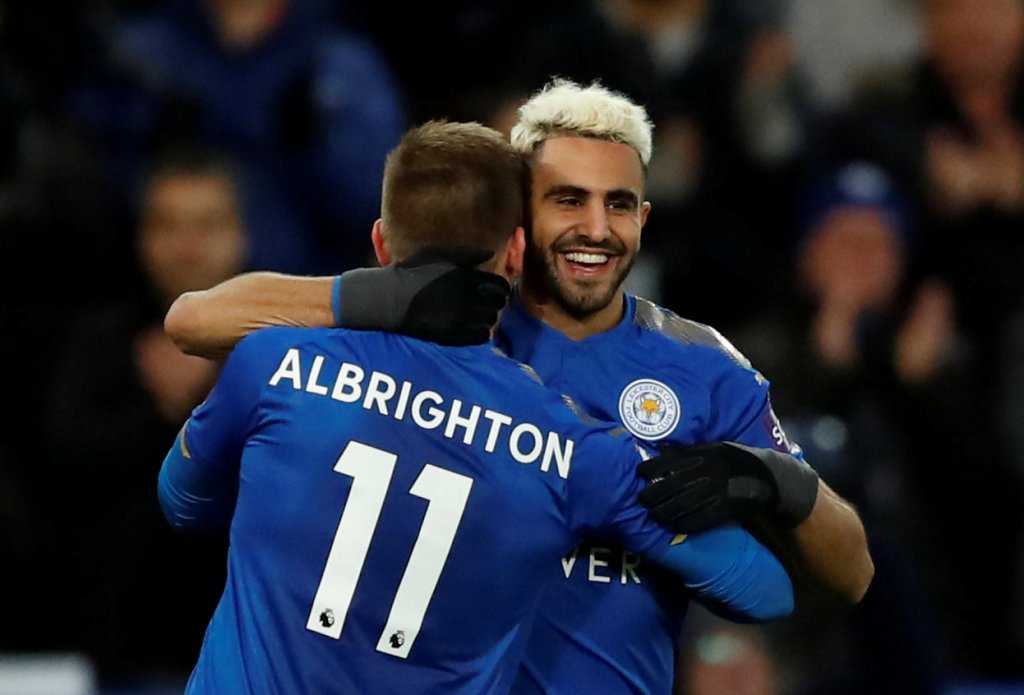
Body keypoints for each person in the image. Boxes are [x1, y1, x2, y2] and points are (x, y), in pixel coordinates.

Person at [164, 80, 873, 693]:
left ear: (643, 218)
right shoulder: (442, 336)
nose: (596, 228)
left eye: (619, 204)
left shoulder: (707, 370)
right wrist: (389, 297)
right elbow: (196, 320)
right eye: (568, 199)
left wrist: (776, 481)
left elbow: (851, 574)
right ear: (517, 223)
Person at [39, 144, 247, 686]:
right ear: (142, 236)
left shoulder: (285, 353)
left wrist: (208, 392)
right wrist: (164, 411)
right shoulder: (98, 341)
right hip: (123, 651)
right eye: (168, 225)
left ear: (240, 233)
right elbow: (62, 461)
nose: (187, 246)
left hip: (247, 655)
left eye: (206, 225)